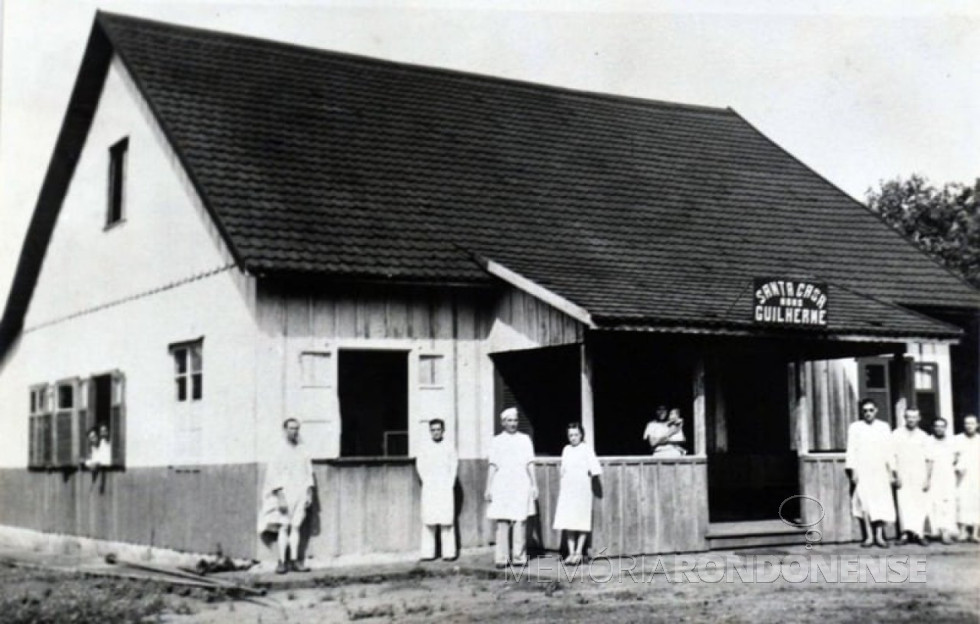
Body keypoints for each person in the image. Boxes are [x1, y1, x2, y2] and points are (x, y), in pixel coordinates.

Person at [258, 418, 315, 574]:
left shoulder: (303, 450)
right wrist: (281, 496)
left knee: (296, 526)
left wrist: (309, 492)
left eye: (296, 428)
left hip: (300, 492)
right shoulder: (278, 450)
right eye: (291, 428)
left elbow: (309, 471)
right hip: (285, 493)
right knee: (284, 527)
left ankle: (296, 561)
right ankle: (282, 562)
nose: (294, 431)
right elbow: (272, 475)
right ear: (284, 430)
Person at [485, 407, 537, 568]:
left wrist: (534, 484)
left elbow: (530, 464)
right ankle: (502, 557)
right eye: (509, 420)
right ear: (503, 423)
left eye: (515, 420)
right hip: (502, 485)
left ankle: (519, 557)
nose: (512, 424)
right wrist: (488, 488)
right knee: (502, 521)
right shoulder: (497, 441)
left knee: (520, 521)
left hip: (521, 483)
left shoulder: (525, 439)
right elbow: (492, 466)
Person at [845, 398, 897, 547]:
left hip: (880, 470)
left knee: (881, 502)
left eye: (871, 410)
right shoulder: (855, 427)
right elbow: (851, 450)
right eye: (865, 410)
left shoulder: (884, 427)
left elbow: (889, 450)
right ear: (862, 412)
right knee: (865, 504)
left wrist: (891, 471)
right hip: (863, 470)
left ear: (876, 411)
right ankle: (868, 536)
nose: (868, 413)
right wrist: (853, 470)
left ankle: (880, 536)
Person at [552, 422, 602, 565]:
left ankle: (579, 552)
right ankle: (571, 552)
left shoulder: (586, 449)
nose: (573, 438)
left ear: (581, 435)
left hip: (582, 489)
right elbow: (563, 470)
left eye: (576, 435)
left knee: (581, 520)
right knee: (569, 521)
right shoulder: (566, 449)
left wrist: (587, 477)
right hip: (568, 489)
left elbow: (595, 469)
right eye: (570, 435)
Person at [416, 418, 458, 561]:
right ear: (430, 431)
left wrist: (449, 483)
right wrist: (427, 481)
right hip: (430, 487)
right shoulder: (424, 447)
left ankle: (449, 553)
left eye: (438, 429)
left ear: (443, 430)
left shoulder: (449, 446)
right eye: (433, 430)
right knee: (429, 520)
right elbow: (420, 465)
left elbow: (453, 466)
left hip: (445, 487)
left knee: (447, 521)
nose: (435, 432)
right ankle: (428, 553)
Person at [891, 409, 931, 545]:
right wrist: (895, 475)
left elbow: (929, 459)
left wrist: (927, 478)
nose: (911, 420)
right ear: (904, 418)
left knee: (920, 503)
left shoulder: (924, 436)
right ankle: (905, 534)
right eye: (908, 417)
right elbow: (892, 456)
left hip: (919, 474)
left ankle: (919, 533)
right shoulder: (896, 434)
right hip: (902, 473)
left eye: (914, 417)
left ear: (919, 418)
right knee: (904, 502)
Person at [926, 417, 957, 544]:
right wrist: (927, 479)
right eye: (936, 426)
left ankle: (946, 532)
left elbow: (955, 458)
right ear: (933, 428)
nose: (939, 428)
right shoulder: (929, 441)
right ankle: (938, 531)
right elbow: (928, 461)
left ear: (946, 427)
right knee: (936, 504)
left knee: (948, 504)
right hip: (935, 476)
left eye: (942, 426)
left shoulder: (951, 441)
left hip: (948, 476)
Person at [954, 414, 980, 542]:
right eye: (967, 423)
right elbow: (953, 458)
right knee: (962, 502)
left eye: (972, 423)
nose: (969, 426)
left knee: (976, 503)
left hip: (977, 475)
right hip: (962, 476)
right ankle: (963, 531)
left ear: (977, 425)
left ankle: (975, 533)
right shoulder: (957, 439)